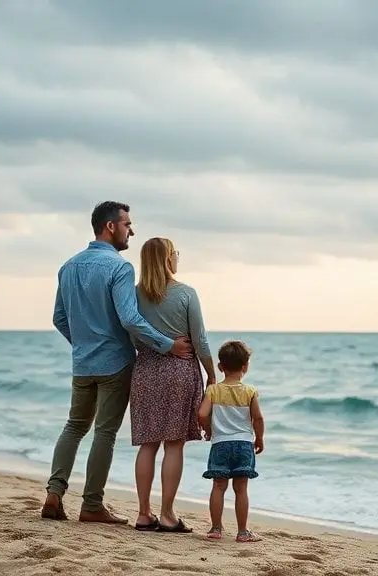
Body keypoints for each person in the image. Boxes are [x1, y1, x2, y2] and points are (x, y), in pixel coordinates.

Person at [41, 202, 192, 524]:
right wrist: (168, 346)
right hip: (115, 363)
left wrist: (83, 344)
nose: (131, 231)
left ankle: (54, 492)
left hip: (82, 364)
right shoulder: (120, 268)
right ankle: (92, 505)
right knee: (105, 433)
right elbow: (130, 318)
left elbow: (59, 318)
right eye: (127, 224)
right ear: (110, 226)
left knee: (74, 426)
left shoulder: (69, 266)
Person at [128, 237, 216, 533]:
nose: (177, 257)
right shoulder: (185, 293)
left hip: (146, 370)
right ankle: (167, 514)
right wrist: (212, 374)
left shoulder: (133, 295)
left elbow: (132, 336)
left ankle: (143, 513)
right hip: (180, 371)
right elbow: (200, 340)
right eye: (175, 253)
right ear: (168, 259)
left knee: (148, 444)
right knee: (174, 445)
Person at [197, 340, 265, 543]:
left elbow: (202, 413)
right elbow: (258, 418)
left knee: (218, 486)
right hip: (244, 444)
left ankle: (216, 528)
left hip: (220, 444)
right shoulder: (250, 391)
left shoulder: (213, 391)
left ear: (220, 367)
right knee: (241, 488)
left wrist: (209, 431)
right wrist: (259, 437)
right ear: (245, 366)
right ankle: (243, 532)